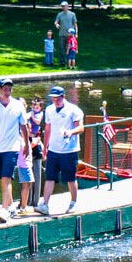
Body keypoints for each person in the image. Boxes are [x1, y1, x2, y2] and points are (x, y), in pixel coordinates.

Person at [0, 79, 29, 222]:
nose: (7, 92)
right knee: (2, 177)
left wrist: (26, 143)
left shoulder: (17, 105)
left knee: (6, 178)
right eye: (5, 89)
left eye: (9, 89)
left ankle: (4, 209)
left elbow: (23, 126)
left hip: (12, 147)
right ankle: (10, 207)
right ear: (0, 89)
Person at [35, 86, 85, 215]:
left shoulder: (73, 110)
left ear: (63, 97)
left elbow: (80, 128)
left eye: (58, 99)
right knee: (50, 177)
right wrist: (45, 147)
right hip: (54, 149)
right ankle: (45, 205)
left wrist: (70, 132)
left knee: (70, 178)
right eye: (53, 99)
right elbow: (48, 128)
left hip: (69, 150)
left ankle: (74, 202)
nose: (55, 101)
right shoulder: (49, 110)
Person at [28, 97, 44, 208]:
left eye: (37, 107)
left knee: (37, 174)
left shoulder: (38, 114)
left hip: (36, 143)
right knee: (28, 174)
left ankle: (36, 200)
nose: (35, 109)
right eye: (33, 107)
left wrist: (32, 115)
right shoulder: (29, 114)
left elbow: (38, 122)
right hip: (29, 141)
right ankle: (28, 200)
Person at [54, 1, 78, 67]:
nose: (63, 7)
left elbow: (75, 24)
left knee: (70, 49)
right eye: (62, 6)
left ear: (67, 6)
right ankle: (62, 62)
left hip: (70, 35)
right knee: (62, 48)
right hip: (61, 34)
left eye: (64, 6)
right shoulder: (59, 14)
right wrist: (57, 24)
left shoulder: (72, 14)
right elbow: (56, 22)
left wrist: (76, 33)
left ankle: (69, 62)